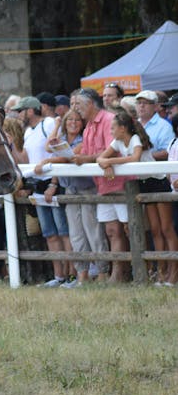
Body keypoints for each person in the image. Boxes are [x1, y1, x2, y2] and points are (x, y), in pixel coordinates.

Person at [97, 109, 178, 286]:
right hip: (144, 184)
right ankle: (161, 271)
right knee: (155, 230)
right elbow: (101, 157)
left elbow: (135, 157)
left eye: (113, 128)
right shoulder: (118, 142)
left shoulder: (135, 139)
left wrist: (109, 162)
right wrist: (105, 163)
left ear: (123, 128)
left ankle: (174, 272)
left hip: (157, 182)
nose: (110, 131)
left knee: (166, 228)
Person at [35, 104, 108, 286]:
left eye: (77, 120)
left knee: (93, 231)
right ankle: (81, 272)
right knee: (76, 234)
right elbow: (49, 145)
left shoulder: (84, 138)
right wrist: (57, 124)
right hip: (71, 189)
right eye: (70, 120)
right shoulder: (62, 138)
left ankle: (102, 271)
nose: (73, 123)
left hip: (86, 188)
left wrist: (45, 161)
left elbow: (69, 157)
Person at [12, 96, 72, 287]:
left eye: (21, 111)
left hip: (51, 182)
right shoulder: (29, 131)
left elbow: (56, 151)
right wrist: (10, 144)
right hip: (38, 184)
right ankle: (59, 275)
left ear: (30, 111)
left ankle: (72, 274)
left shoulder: (48, 124)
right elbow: (26, 160)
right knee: (49, 233)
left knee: (63, 232)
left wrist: (54, 183)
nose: (19, 115)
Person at [73, 88, 130, 282]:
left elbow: (111, 151)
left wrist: (83, 158)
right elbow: (91, 156)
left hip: (120, 183)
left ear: (90, 104)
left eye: (79, 105)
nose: (76, 109)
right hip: (103, 185)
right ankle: (117, 274)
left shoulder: (107, 120)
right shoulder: (88, 126)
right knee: (112, 231)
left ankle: (136, 271)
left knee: (129, 228)